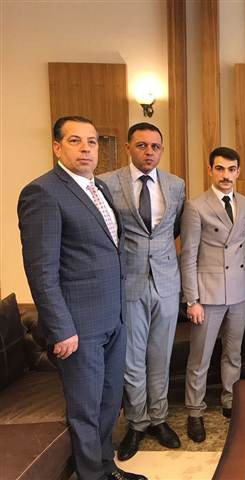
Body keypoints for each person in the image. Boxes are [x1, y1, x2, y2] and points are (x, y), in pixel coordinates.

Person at [18, 116, 146, 480]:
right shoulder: (43, 193)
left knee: (109, 400)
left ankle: (105, 467)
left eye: (92, 141)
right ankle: (91, 476)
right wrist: (61, 329)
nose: (86, 148)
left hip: (113, 318)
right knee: (85, 408)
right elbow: (42, 271)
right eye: (75, 141)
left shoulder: (99, 188)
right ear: (57, 147)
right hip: (78, 326)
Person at [99, 123, 185, 460]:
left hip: (166, 281)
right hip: (129, 281)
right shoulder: (107, 183)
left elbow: (174, 228)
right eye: (142, 145)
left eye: (155, 146)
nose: (149, 152)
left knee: (160, 355)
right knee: (132, 359)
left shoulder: (176, 185)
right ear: (128, 147)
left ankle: (159, 419)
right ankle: (137, 423)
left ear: (161, 150)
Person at [181, 147, 245, 442]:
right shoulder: (195, 206)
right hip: (207, 294)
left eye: (231, 169)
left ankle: (229, 401)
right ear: (210, 170)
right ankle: (195, 411)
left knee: (233, 353)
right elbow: (188, 255)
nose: (226, 175)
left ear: (238, 172)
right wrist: (192, 300)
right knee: (200, 357)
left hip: (239, 291)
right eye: (220, 169)